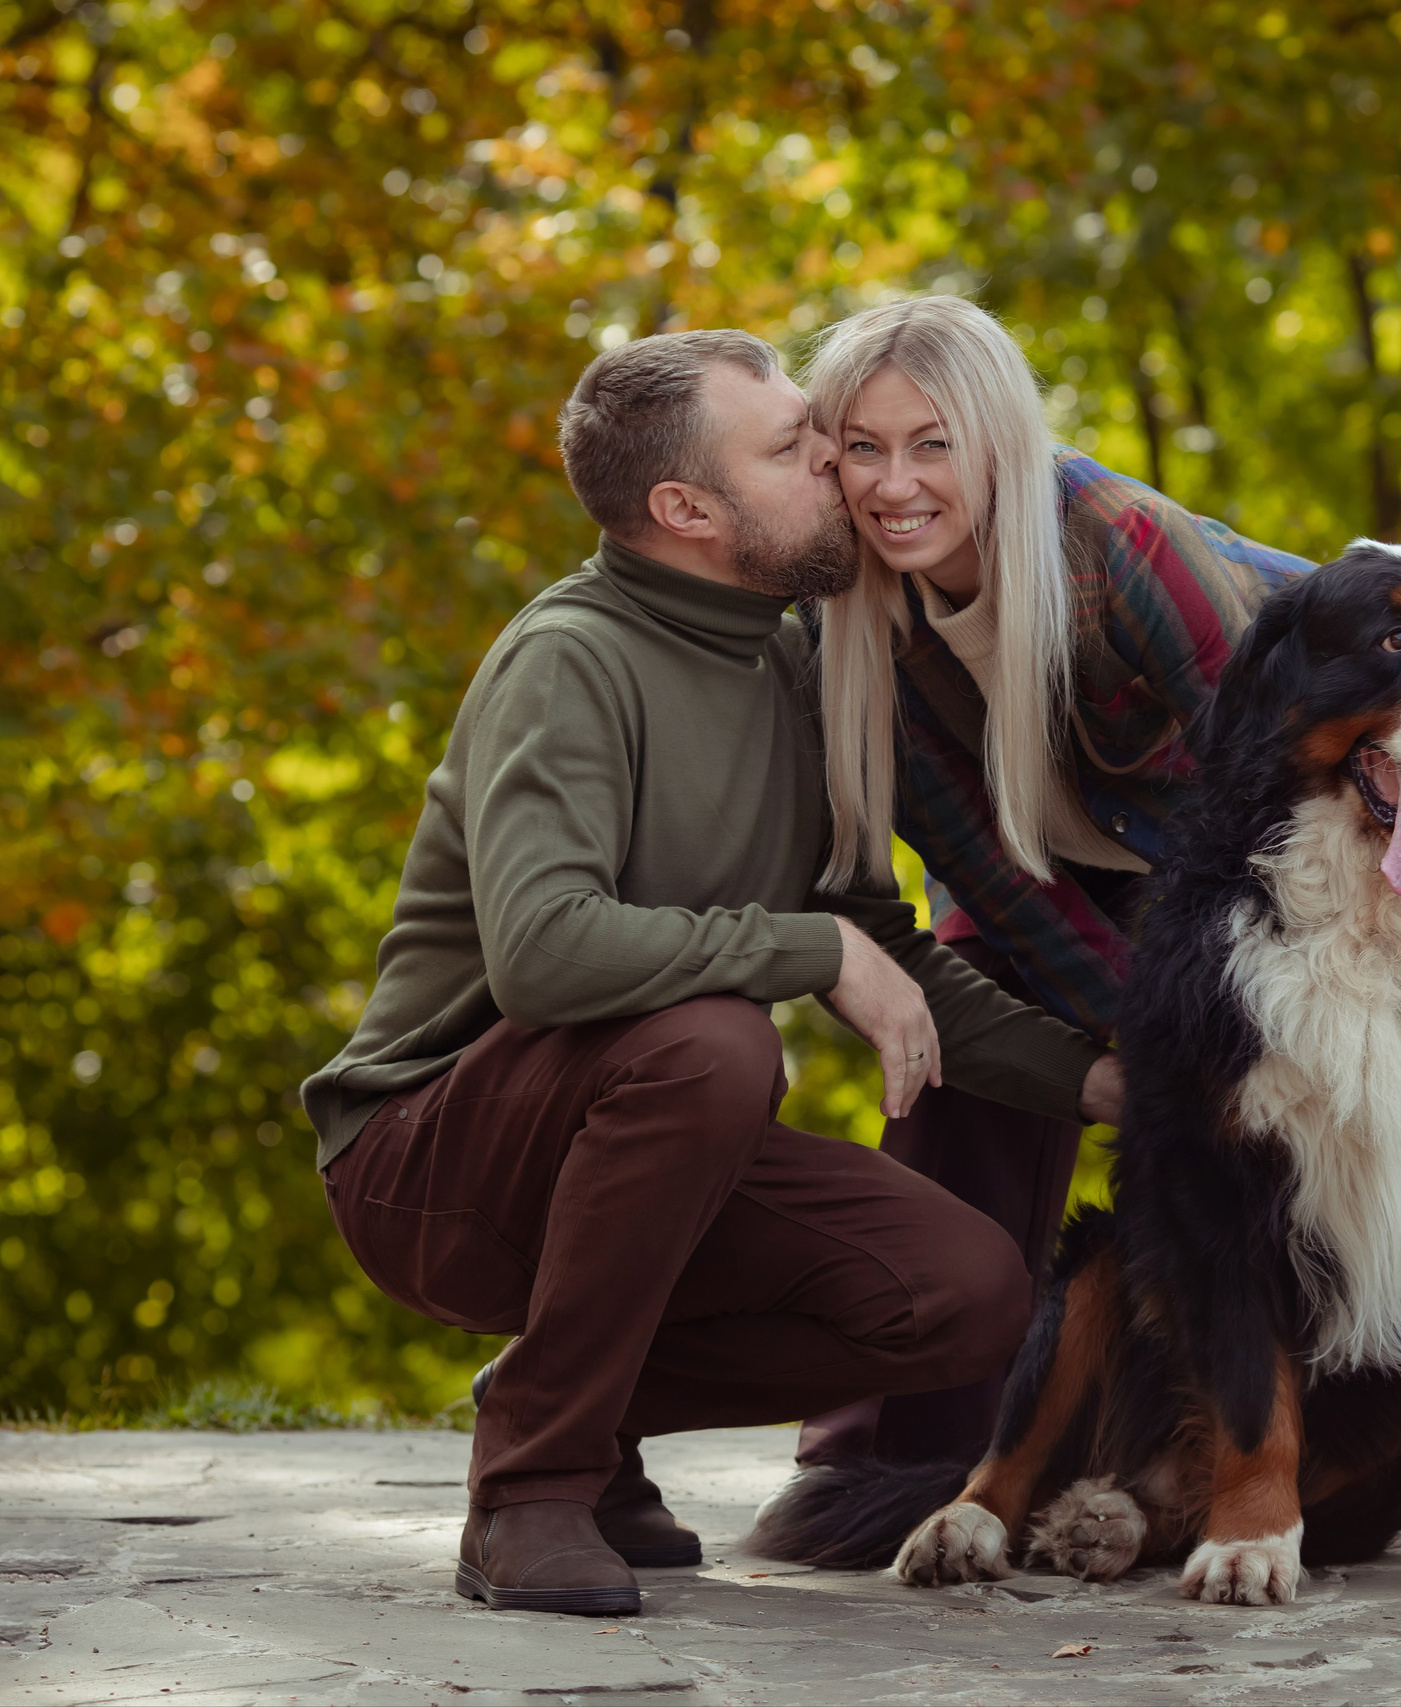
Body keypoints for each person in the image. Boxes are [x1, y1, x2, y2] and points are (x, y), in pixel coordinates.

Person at [784, 294, 1401, 1567]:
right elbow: (987, 870)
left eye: (931, 443)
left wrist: (1250, 1016)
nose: (894, 483)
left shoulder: (1119, 543)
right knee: (960, 1017)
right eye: (861, 449)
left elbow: (1258, 759)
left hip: (1286, 837)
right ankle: (915, 1452)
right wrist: (1159, 1065)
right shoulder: (846, 623)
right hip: (1061, 883)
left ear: (997, 443)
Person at [299, 328, 1124, 1617]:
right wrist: (812, 950)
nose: (842, 471)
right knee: (717, 1038)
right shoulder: (570, 659)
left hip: (652, 1147)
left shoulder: (794, 667)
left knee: (962, 1296)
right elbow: (546, 954)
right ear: (686, 509)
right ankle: (530, 1490)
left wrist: (1100, 1083)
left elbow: (888, 954)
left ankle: (574, 1407)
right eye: (798, 447)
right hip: (428, 1159)